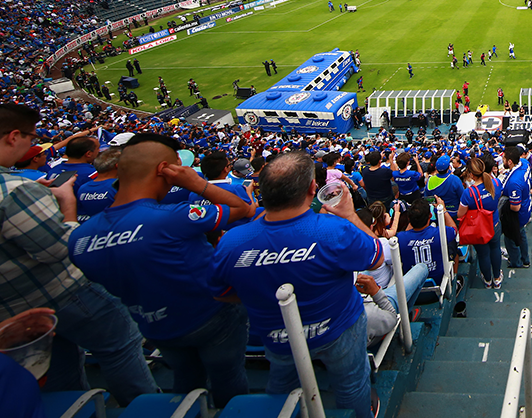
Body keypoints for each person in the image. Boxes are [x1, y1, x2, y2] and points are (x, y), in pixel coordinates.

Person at [0, 104, 156, 405]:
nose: (32, 145)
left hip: (1, 314)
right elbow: (61, 248)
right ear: (13, 136)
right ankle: (145, 408)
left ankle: (78, 408)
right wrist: (66, 207)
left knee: (56, 367)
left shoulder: (14, 185)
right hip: (58, 294)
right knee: (121, 343)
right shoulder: (11, 189)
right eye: (30, 137)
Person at [69, 134, 254, 407]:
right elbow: (243, 208)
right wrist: (196, 183)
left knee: (185, 379)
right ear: (164, 170)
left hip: (153, 326)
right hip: (212, 315)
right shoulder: (173, 217)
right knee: (228, 377)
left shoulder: (80, 239)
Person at [209, 151, 384, 418]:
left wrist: (262, 294)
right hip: (339, 327)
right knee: (351, 384)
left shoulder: (232, 243)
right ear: (313, 188)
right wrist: (350, 215)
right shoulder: (333, 229)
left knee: (282, 387)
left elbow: (221, 293)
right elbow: (377, 256)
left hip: (277, 335)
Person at [460, 157, 502, 287]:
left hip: (479, 228)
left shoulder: (469, 193)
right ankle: (497, 278)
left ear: (471, 174)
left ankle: (488, 280)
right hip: (494, 224)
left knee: (483, 254)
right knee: (495, 249)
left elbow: (460, 213)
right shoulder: (496, 183)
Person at [500, 145, 532, 268]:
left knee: (510, 237)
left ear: (510, 161)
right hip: (526, 206)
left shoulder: (514, 182)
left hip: (518, 212)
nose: (502, 161)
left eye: (504, 159)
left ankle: (515, 261)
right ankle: (525, 259)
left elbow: (515, 207)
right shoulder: (524, 163)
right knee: (521, 233)